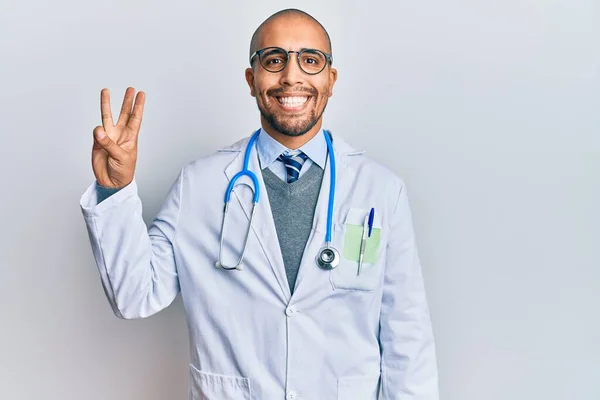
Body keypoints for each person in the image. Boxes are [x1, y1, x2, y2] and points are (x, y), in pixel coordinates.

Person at [80, 8, 439, 400]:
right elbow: (135, 296)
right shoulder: (199, 185)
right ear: (251, 80)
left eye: (310, 60)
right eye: (274, 59)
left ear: (330, 80)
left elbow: (408, 338)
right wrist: (114, 189)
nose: (292, 75)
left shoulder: (380, 190)